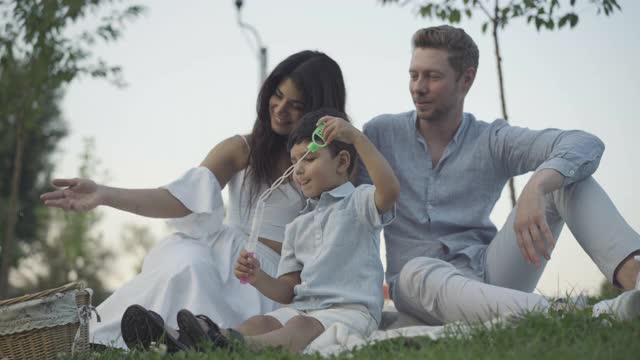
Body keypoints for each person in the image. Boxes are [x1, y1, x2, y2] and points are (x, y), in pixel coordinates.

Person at [40, 50, 347, 349]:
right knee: (188, 267)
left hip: (280, 281)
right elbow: (180, 198)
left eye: (296, 105)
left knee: (254, 326)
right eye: (276, 95)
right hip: (234, 262)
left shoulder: (334, 164)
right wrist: (105, 194)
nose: (280, 109)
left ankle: (192, 340)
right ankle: (150, 336)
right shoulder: (243, 148)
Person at [355, 25, 640, 325]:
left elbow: (585, 143)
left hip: (491, 275)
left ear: (466, 79)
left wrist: (538, 183)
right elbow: (351, 211)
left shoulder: (491, 139)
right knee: (415, 272)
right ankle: (573, 315)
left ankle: (634, 280)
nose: (418, 87)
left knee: (566, 179)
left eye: (432, 76)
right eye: (414, 75)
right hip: (419, 289)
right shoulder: (379, 134)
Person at [121, 108, 399, 353]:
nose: (298, 170)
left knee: (301, 326)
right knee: (261, 322)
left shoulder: (359, 202)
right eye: (294, 162)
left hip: (350, 313)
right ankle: (192, 341)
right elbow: (287, 290)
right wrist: (258, 277)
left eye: (309, 159)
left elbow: (390, 189)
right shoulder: (298, 224)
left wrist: (357, 138)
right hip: (303, 308)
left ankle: (230, 348)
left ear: (341, 162)